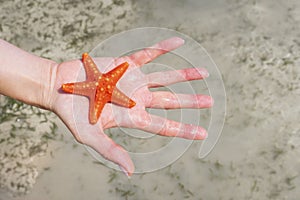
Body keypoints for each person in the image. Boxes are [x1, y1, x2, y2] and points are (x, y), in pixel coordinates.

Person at [0, 37, 213, 176]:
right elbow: (93, 81)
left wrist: (50, 81)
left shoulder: (107, 83)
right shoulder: (90, 83)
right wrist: (51, 82)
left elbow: (110, 82)